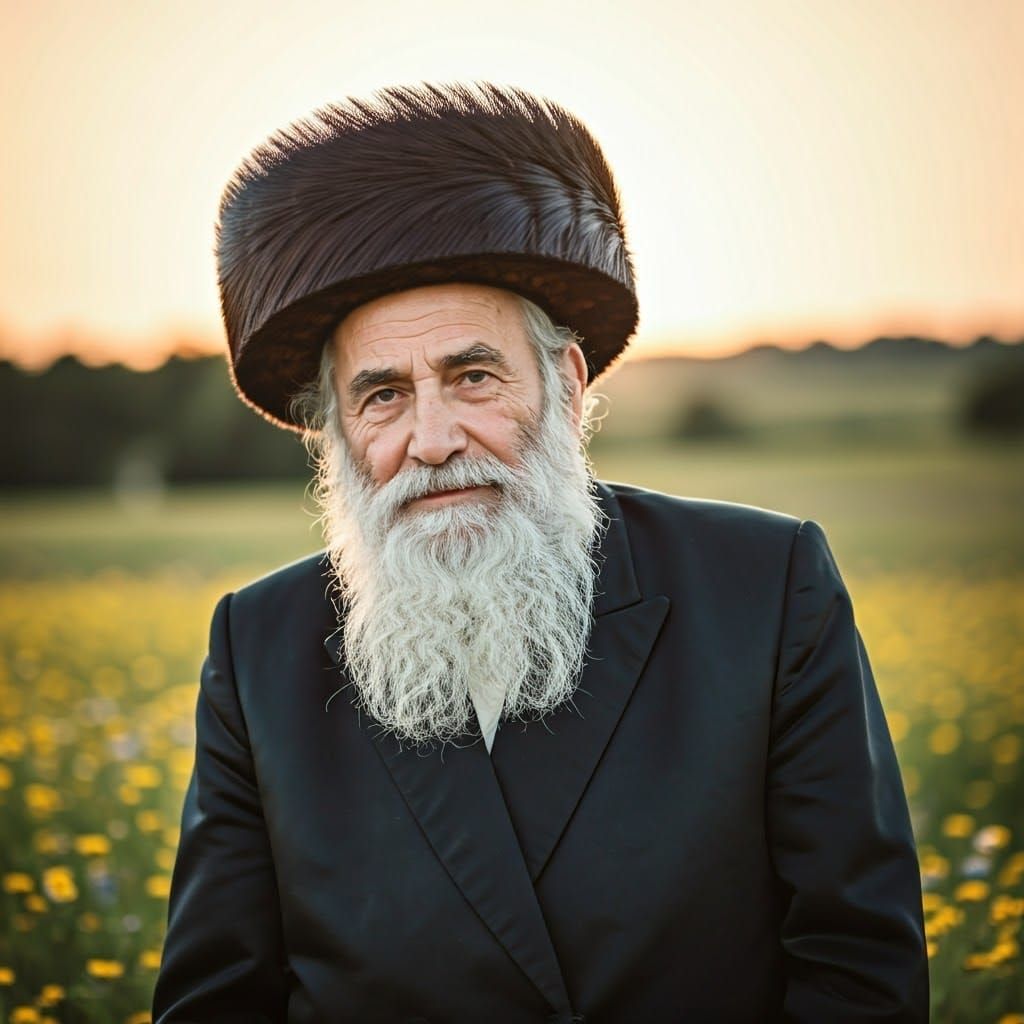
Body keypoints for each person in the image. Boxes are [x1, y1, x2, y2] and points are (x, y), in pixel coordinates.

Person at [152, 82, 928, 1023]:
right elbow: (216, 1002)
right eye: (383, 395)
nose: (432, 438)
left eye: (472, 376)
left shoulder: (763, 588)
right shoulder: (257, 645)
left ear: (561, 381)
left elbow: (858, 970)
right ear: (338, 433)